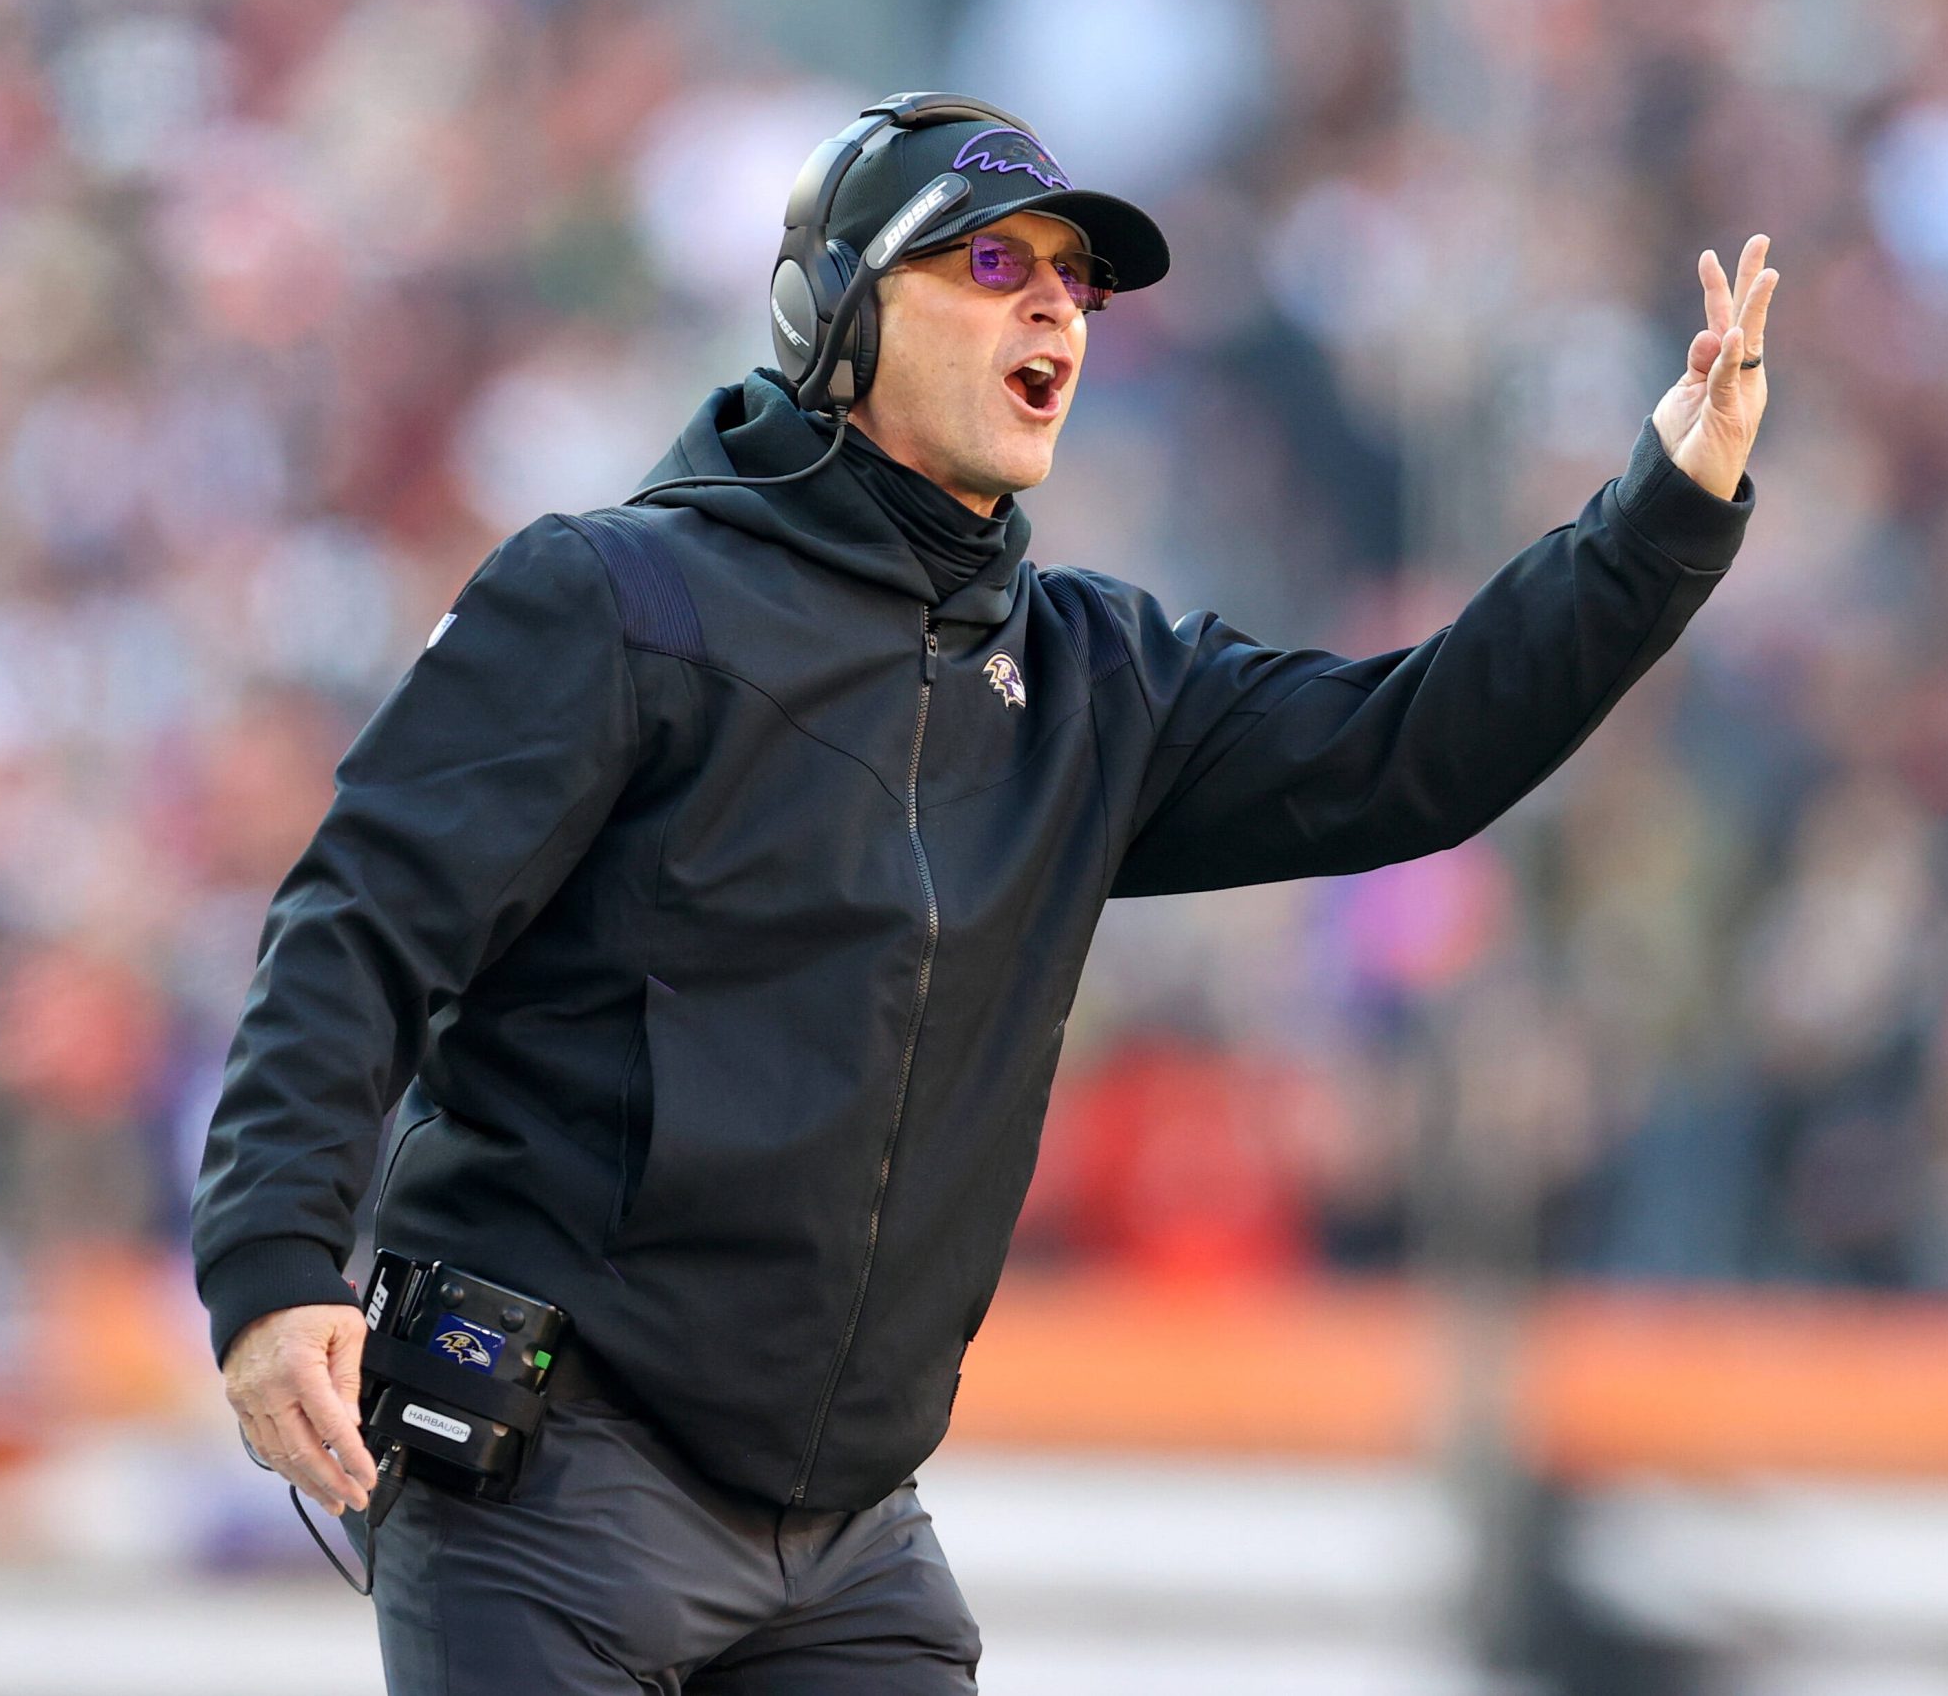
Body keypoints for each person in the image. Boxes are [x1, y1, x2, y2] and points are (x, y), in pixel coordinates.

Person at [190, 91, 1777, 1694]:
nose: (1053, 306)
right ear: (835, 318)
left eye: (1076, 280)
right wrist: (270, 1267)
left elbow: (1409, 752)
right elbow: (360, 922)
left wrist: (1663, 513)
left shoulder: (1097, 677)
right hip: (557, 1490)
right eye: (991, 258)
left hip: (850, 1533)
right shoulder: (612, 598)